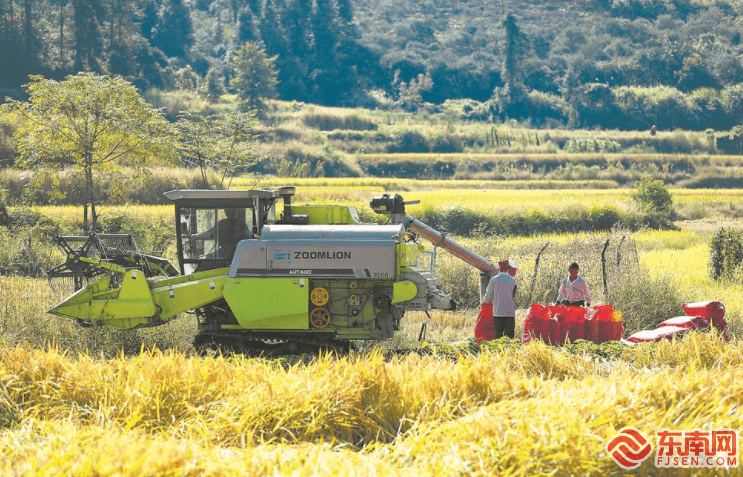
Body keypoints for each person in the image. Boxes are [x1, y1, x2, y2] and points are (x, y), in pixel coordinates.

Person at [482, 259, 518, 338]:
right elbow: (513, 295)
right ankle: (510, 349)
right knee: (509, 335)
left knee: (498, 335)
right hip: (510, 311)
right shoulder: (512, 280)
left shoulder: (494, 280)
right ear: (508, 268)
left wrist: (484, 302)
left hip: (498, 311)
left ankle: (499, 349)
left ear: (499, 268)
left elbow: (488, 294)